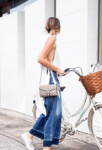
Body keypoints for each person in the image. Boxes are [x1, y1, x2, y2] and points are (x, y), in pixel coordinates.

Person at [21, 17, 66, 150]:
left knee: (51, 113)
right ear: (58, 26)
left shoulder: (45, 38)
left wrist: (57, 71)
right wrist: (57, 69)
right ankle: (46, 146)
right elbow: (40, 59)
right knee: (53, 114)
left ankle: (29, 136)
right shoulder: (51, 39)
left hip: (48, 79)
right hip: (50, 79)